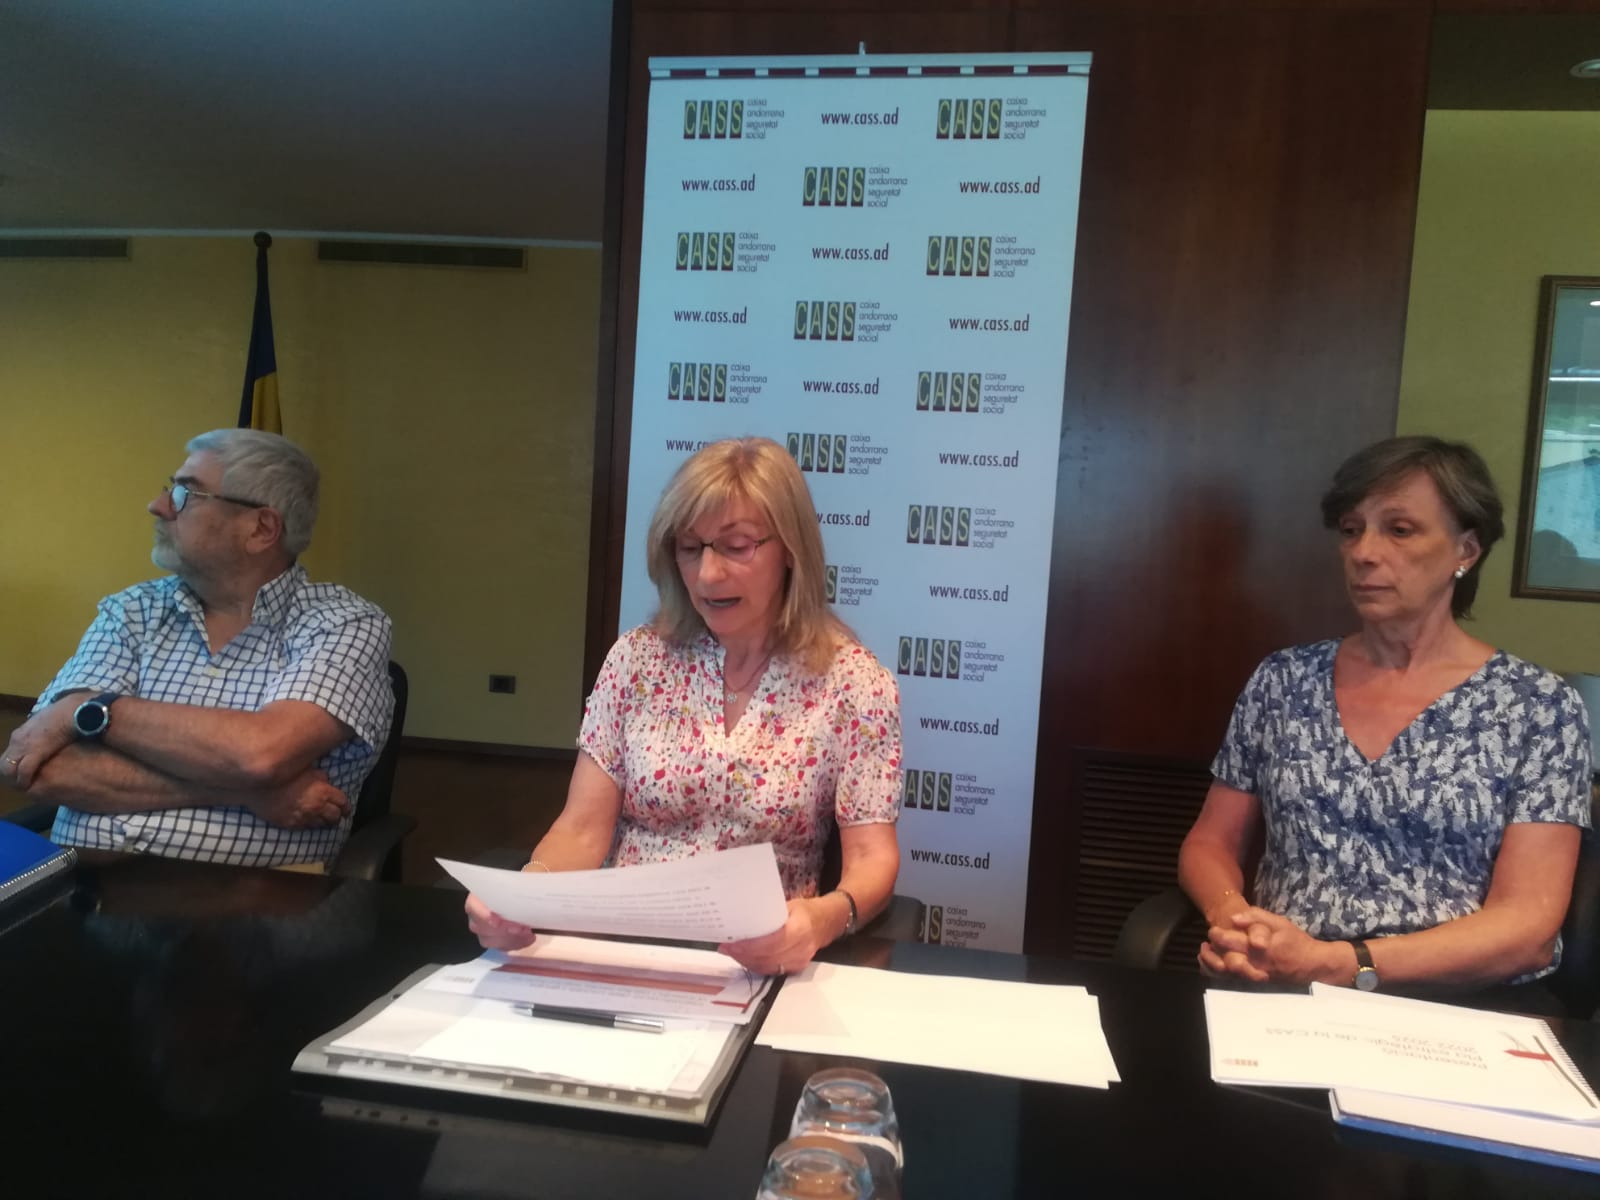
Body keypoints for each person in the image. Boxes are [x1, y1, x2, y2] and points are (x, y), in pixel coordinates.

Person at [467, 437, 902, 974]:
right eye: (690, 548)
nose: (707, 574)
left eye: (736, 546)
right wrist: (522, 897)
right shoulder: (636, 661)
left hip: (757, 963)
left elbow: (871, 858)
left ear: (790, 549)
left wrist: (821, 920)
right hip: (619, 950)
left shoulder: (853, 683)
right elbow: (581, 830)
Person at [1179, 435, 1592, 1000]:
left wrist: (1337, 964)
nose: (1364, 552)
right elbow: (1210, 843)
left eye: (1399, 530)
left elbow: (1528, 927)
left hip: (1460, 1002)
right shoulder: (1283, 679)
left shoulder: (1538, 706)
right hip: (1285, 987)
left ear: (1466, 550)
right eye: (1352, 530)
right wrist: (1236, 922)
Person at [2, 429, 394, 869]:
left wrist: (92, 709)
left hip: (255, 897)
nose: (158, 505)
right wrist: (243, 793)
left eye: (185, 493)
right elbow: (38, 766)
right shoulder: (132, 610)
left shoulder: (342, 623)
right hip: (83, 885)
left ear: (261, 529)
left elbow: (260, 755)